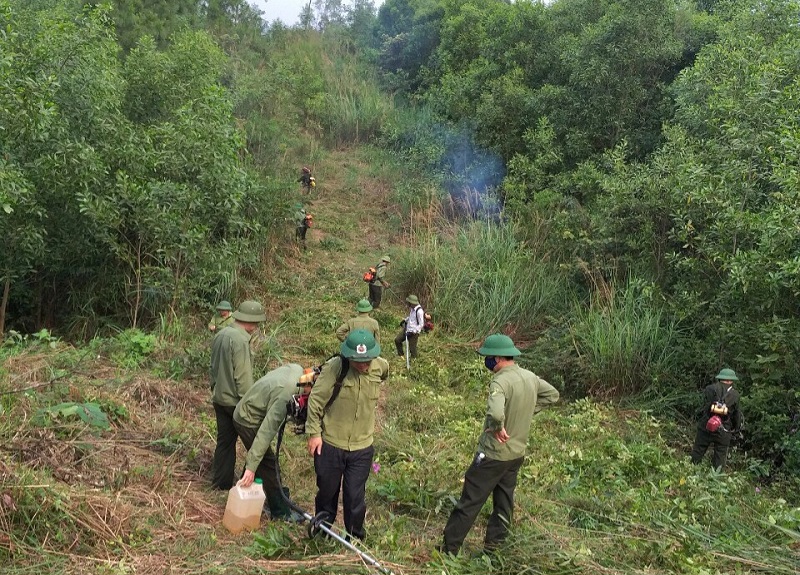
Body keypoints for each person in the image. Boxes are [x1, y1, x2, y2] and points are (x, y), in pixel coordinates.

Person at [441, 334, 559, 555]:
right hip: (516, 454)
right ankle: (494, 551)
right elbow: (552, 395)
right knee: (504, 504)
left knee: (470, 502)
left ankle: (448, 550)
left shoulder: (500, 381)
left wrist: (497, 425)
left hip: (493, 454)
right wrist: (525, 412)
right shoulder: (530, 377)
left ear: (496, 358)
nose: (486, 362)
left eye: (487, 357)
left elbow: (495, 412)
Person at [305, 329, 389, 541]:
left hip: (362, 447)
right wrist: (314, 433)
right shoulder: (335, 367)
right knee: (327, 493)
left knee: (355, 497)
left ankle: (356, 540)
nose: (364, 365)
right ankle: (322, 535)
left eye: (367, 360)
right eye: (358, 361)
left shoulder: (381, 366)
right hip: (331, 445)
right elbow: (315, 401)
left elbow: (383, 374)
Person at [233, 363, 316, 521]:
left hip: (250, 405)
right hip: (247, 419)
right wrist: (251, 467)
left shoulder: (298, 371)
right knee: (269, 463)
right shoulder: (286, 396)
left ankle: (254, 484)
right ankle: (280, 512)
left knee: (261, 462)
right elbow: (266, 431)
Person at [209, 300, 267, 490]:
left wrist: (214, 388)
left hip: (219, 398)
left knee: (225, 443)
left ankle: (220, 484)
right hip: (236, 402)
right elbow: (243, 376)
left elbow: (213, 367)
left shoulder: (221, 334)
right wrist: (251, 403)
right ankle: (255, 484)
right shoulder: (241, 340)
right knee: (255, 444)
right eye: (257, 323)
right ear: (250, 322)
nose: (256, 328)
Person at [690, 368, 742, 470]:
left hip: (706, 425)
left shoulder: (709, 389)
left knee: (698, 451)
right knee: (720, 456)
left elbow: (703, 407)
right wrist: (736, 429)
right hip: (723, 428)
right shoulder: (735, 395)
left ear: (720, 378)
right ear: (730, 380)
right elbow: (737, 414)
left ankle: (691, 471)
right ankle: (716, 478)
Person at [394, 294, 424, 359]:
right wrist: (405, 320)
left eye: (409, 303)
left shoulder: (419, 311)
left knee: (412, 349)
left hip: (414, 333)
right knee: (397, 340)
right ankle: (401, 355)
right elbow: (411, 318)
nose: (408, 304)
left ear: (412, 303)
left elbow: (421, 324)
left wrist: (414, 331)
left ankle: (414, 360)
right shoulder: (412, 309)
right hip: (407, 329)